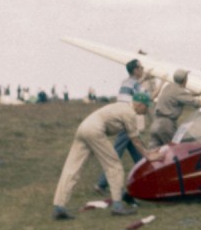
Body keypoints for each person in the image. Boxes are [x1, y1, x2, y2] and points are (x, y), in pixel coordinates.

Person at [52, 92, 161, 220]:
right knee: (114, 166)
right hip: (95, 130)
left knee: (72, 169)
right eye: (146, 107)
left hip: (83, 128)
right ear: (140, 104)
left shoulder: (122, 106)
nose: (146, 110)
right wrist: (148, 156)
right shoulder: (130, 113)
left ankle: (59, 207)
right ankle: (117, 206)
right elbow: (135, 140)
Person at [95, 59, 152, 195]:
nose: (142, 69)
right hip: (127, 122)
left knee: (137, 154)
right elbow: (147, 97)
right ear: (135, 70)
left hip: (122, 120)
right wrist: (158, 83)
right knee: (116, 154)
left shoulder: (126, 83)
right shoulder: (135, 84)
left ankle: (148, 178)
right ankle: (101, 184)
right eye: (141, 67)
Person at [147, 69, 201, 148]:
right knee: (176, 150)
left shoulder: (169, 86)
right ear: (185, 80)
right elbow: (198, 103)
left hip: (156, 123)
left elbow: (185, 95)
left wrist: (199, 93)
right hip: (166, 125)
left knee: (155, 152)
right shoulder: (179, 91)